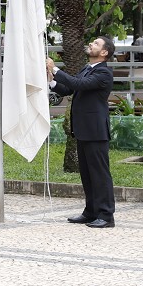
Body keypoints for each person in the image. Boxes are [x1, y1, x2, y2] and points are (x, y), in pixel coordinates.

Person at [48, 36, 116, 228]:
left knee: (100, 174)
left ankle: (106, 215)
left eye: (96, 43)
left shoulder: (104, 73)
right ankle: (91, 212)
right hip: (83, 129)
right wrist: (52, 81)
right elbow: (69, 88)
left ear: (104, 53)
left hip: (96, 131)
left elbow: (79, 85)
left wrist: (55, 68)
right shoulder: (87, 69)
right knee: (87, 174)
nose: (91, 44)